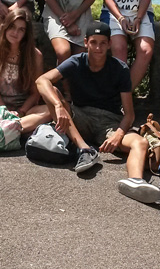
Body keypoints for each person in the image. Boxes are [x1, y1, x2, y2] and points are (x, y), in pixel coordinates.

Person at [36, 22, 146, 183]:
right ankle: (84, 149)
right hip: (80, 117)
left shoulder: (120, 69)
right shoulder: (76, 61)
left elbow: (129, 114)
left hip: (109, 123)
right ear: (86, 42)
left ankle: (136, 182)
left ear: (109, 44)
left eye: (103, 43)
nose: (98, 48)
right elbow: (41, 81)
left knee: (140, 142)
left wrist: (119, 135)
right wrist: (59, 105)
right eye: (93, 42)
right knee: (53, 92)